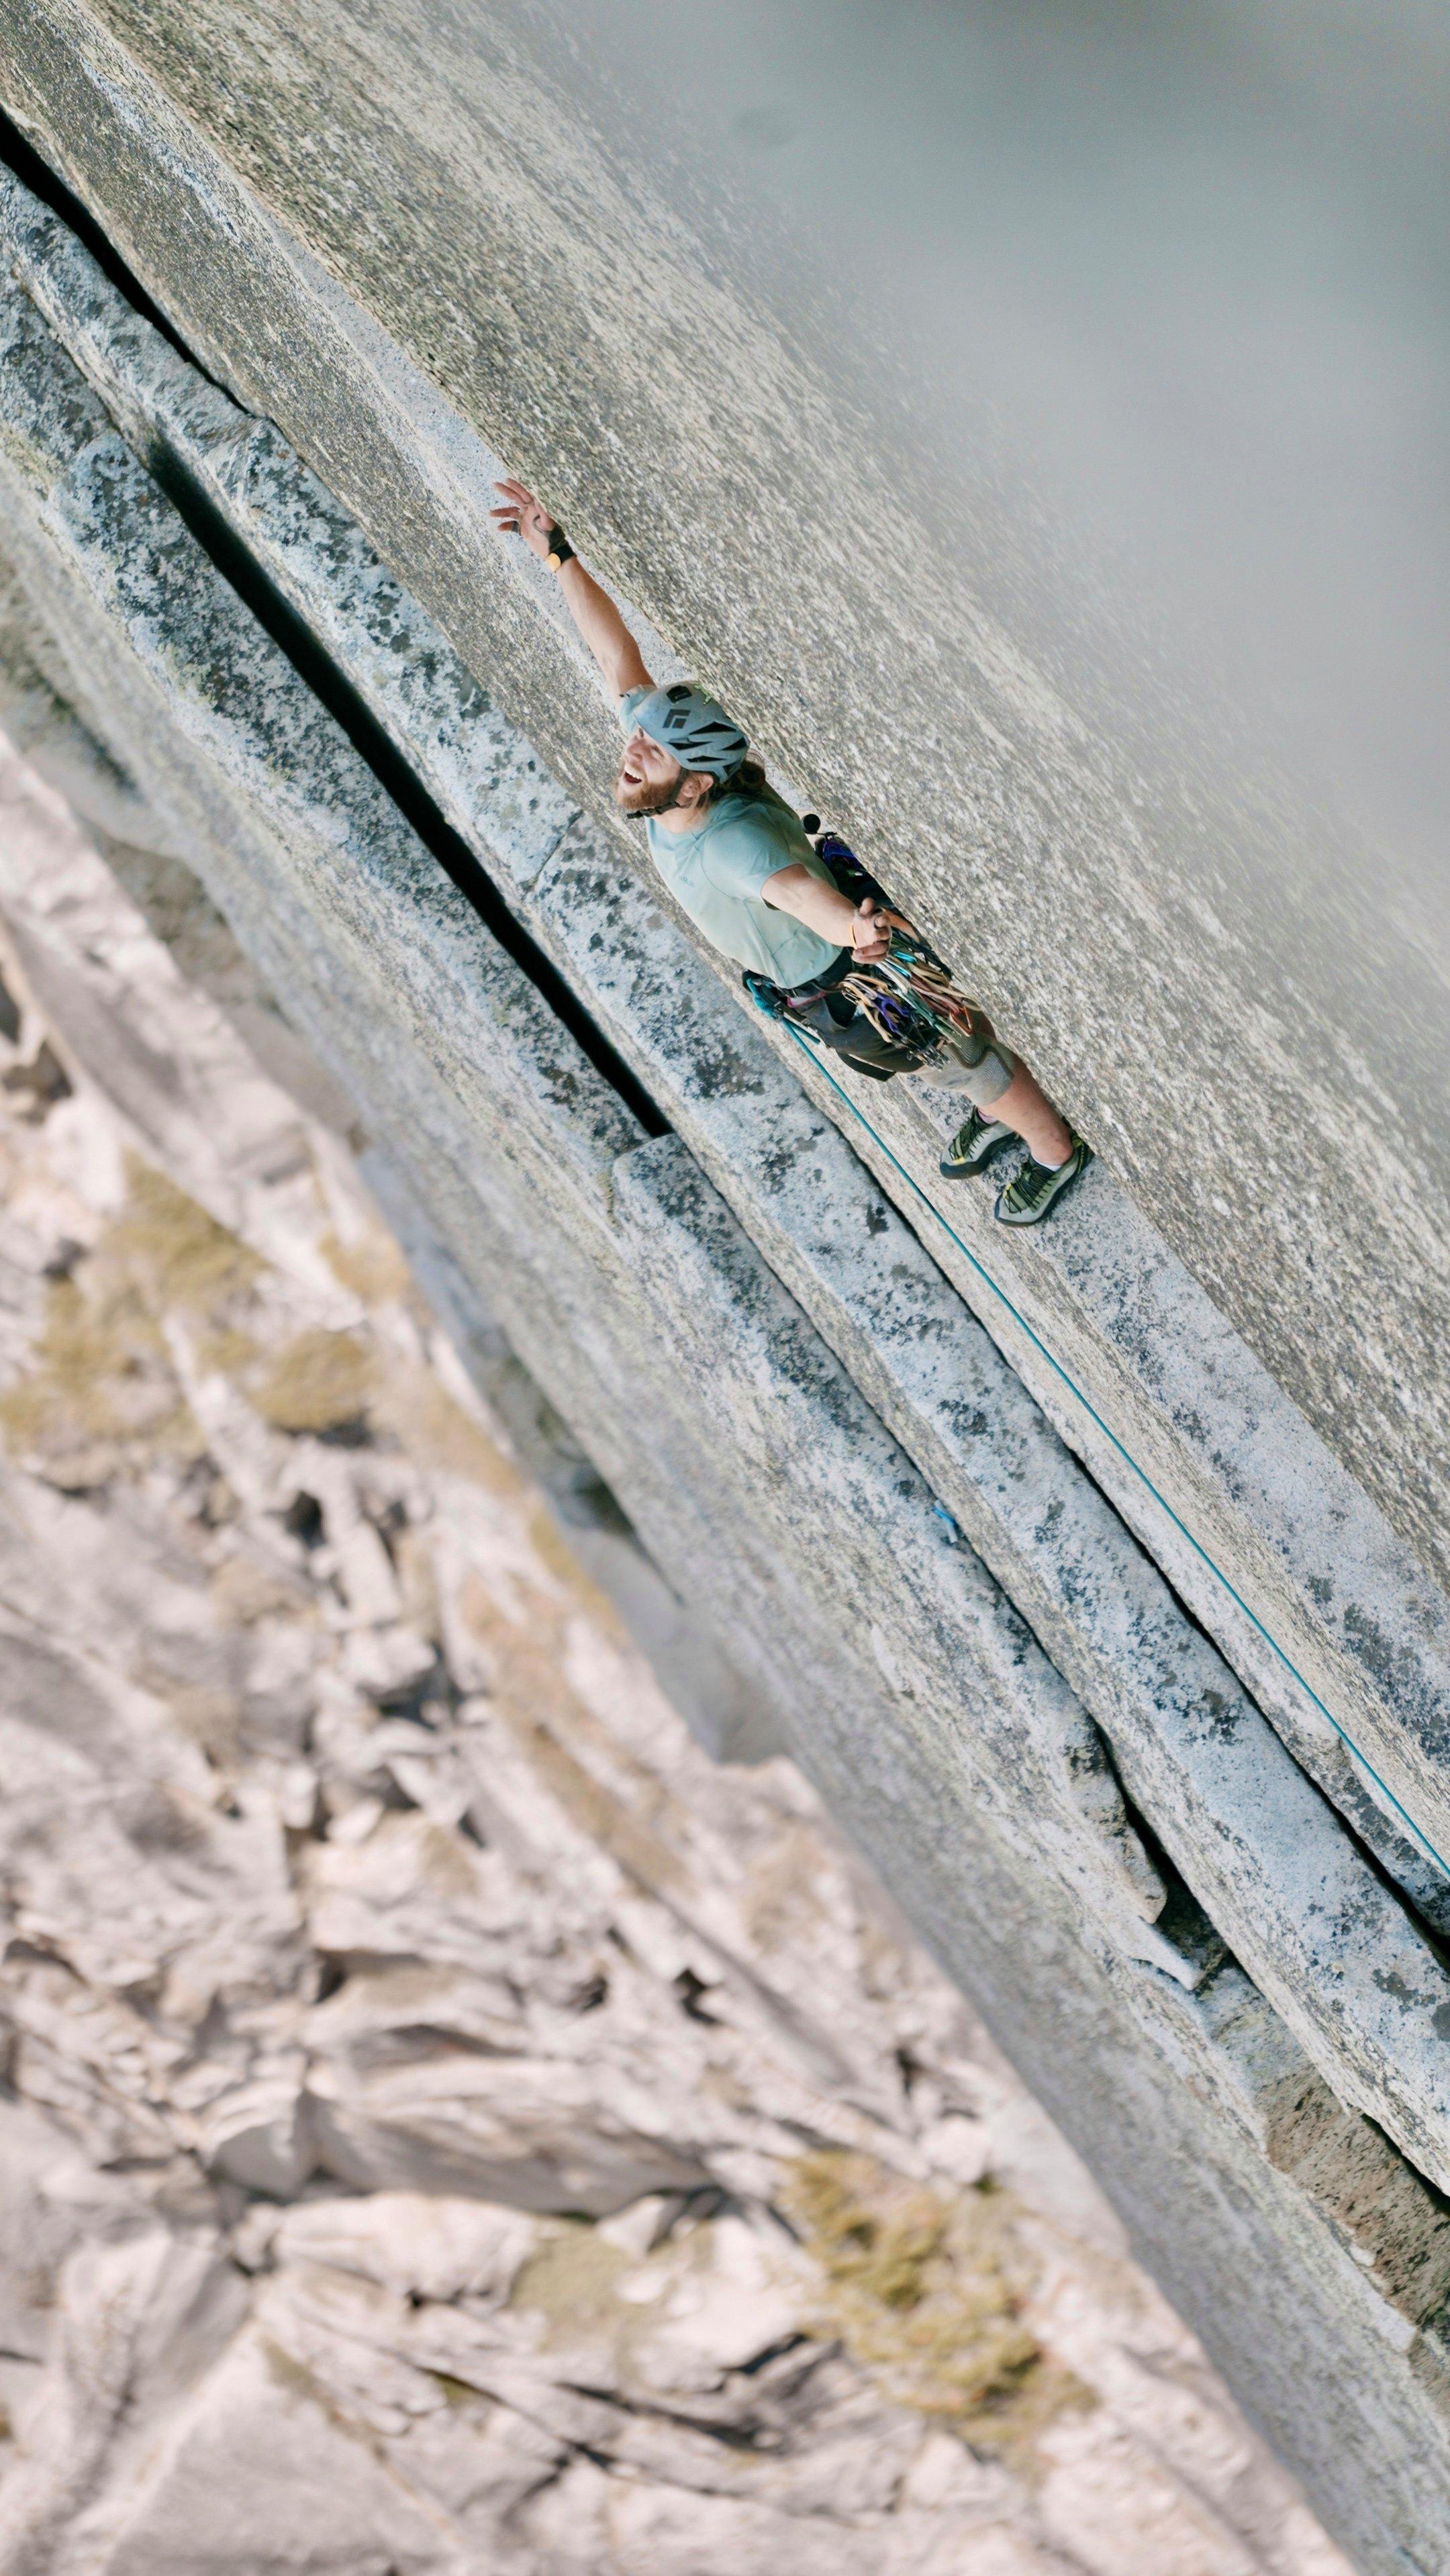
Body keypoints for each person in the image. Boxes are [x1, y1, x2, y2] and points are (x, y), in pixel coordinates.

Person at [489, 481, 1092, 1225]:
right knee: (953, 1057)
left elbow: (791, 892)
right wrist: (557, 556)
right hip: (821, 967)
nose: (636, 751)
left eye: (657, 751)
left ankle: (1053, 1151)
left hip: (851, 974)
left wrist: (854, 932)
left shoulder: (729, 845)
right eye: (644, 738)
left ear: (695, 786)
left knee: (964, 1064)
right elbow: (616, 653)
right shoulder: (680, 791)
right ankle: (1007, 1115)